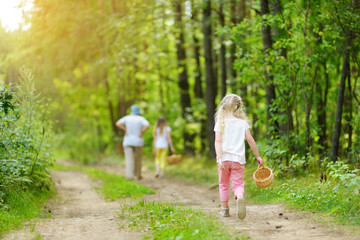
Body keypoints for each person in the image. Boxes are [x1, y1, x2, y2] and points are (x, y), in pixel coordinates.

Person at [214, 94, 263, 220]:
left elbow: (218, 141)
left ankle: (225, 210)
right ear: (238, 107)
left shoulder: (220, 123)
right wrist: (258, 156)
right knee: (237, 183)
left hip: (224, 159)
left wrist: (219, 158)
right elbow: (250, 140)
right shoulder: (243, 123)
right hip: (238, 160)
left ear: (223, 107)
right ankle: (239, 195)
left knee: (223, 184)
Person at [116, 105, 150, 180]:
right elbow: (148, 125)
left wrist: (125, 130)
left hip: (128, 140)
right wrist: (142, 131)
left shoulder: (127, 118)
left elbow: (118, 123)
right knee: (138, 158)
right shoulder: (140, 119)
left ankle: (129, 175)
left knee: (129, 159)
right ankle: (138, 175)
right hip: (138, 140)